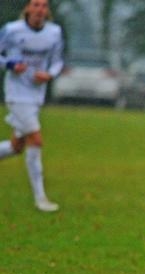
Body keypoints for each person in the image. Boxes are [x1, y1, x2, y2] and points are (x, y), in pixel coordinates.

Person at [0, 0, 64, 212]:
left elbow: (57, 61)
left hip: (37, 94)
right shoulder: (11, 30)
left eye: (44, 6)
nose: (40, 10)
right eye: (35, 5)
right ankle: (40, 198)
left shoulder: (54, 32)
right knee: (36, 140)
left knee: (17, 146)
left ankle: (40, 197)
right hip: (16, 93)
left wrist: (49, 74)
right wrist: (10, 64)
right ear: (27, 8)